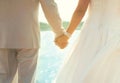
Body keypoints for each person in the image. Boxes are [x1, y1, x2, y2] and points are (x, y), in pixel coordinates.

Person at [0, 0, 69, 83]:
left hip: (3, 37)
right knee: (27, 80)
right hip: (28, 37)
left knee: (3, 79)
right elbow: (49, 5)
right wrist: (59, 32)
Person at [55, 0, 120, 83]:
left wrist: (67, 35)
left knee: (82, 73)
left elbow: (80, 10)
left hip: (90, 35)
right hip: (114, 35)